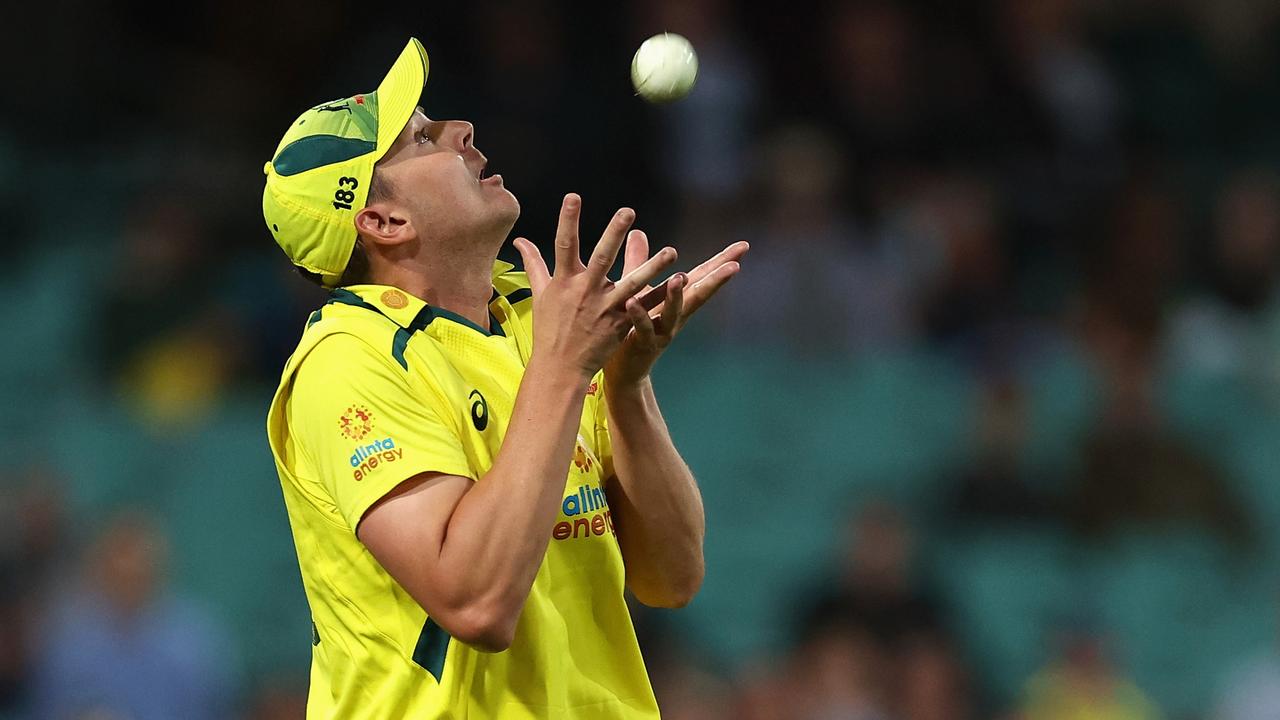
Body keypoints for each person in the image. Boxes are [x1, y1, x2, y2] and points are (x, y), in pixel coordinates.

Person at [262, 38, 747, 719]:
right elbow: (477, 603)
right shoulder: (349, 360)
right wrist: (565, 368)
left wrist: (627, 385)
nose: (460, 130)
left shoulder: (537, 317)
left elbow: (672, 576)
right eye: (422, 137)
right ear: (383, 220)